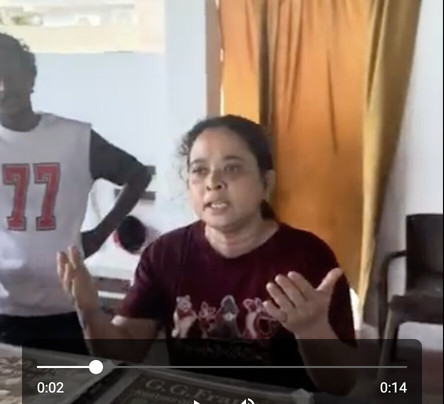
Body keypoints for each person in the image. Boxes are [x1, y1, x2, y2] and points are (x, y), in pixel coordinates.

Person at [57, 115, 357, 394]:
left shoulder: (308, 257)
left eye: (233, 168)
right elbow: (124, 352)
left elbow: (342, 383)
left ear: (265, 183)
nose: (213, 182)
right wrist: (89, 311)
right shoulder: (164, 255)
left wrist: (312, 330)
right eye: (199, 170)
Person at [0, 33, 151, 353]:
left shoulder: (73, 138)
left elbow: (138, 175)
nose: (2, 86)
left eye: (9, 72)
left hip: (68, 304)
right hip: (5, 310)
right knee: (14, 384)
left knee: (67, 380)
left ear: (30, 77)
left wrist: (98, 235)